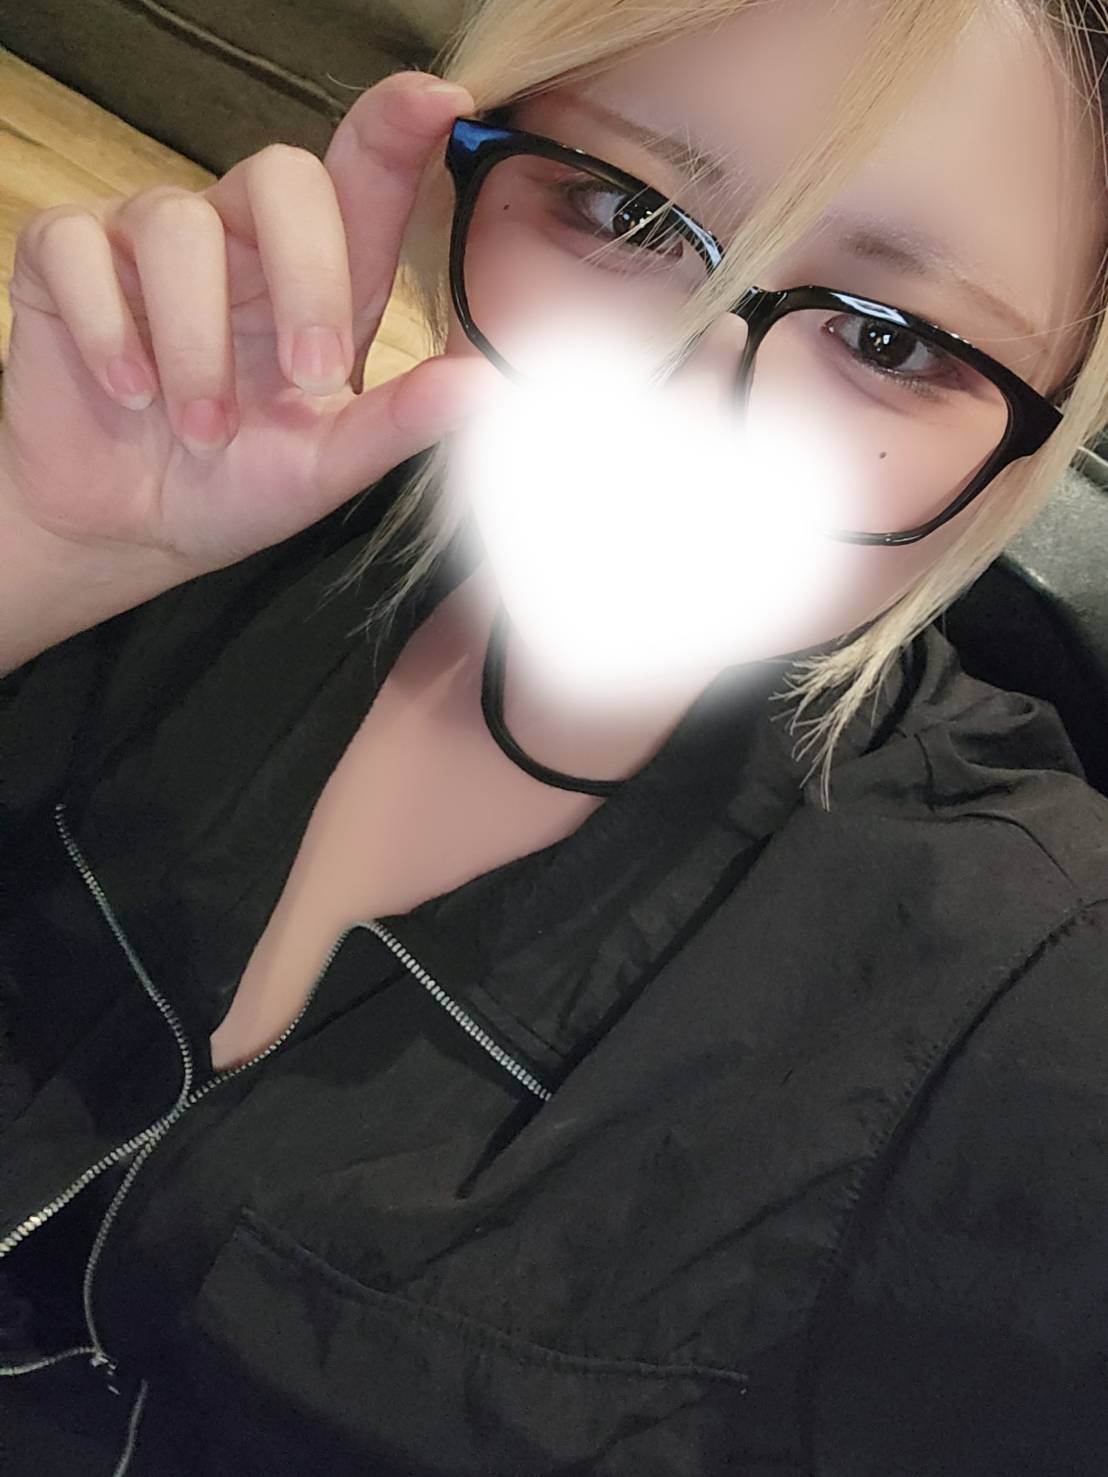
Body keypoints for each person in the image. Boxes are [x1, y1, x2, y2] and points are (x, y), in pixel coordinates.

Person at [2, 0, 1108, 1470]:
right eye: (624, 211)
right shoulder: (188, 502)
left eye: (887, 340)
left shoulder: (1016, 994)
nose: (682, 404)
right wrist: (33, 558)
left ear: (1027, 447)